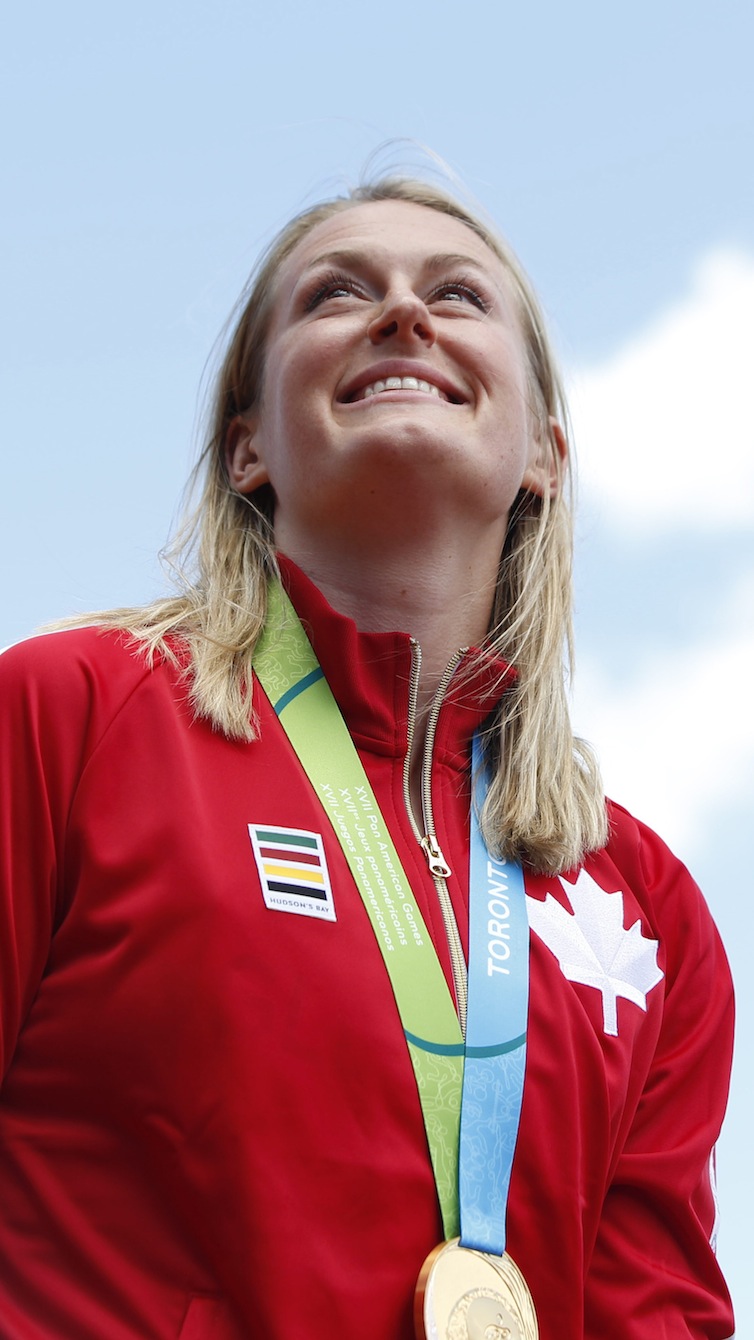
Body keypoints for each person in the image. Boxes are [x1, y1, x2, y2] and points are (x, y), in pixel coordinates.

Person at [0, 175, 734, 1340]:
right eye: (336, 294)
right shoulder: (67, 715)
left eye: (456, 293)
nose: (403, 313)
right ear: (249, 448)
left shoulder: (643, 910)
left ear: (542, 451)